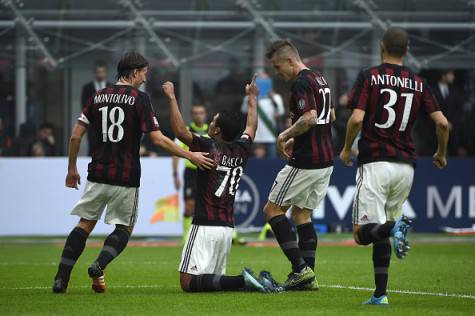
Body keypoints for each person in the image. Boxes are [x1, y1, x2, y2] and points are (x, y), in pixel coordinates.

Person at [52, 52, 214, 294]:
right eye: (145, 73)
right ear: (135, 72)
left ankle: (60, 279)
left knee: (85, 224)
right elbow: (158, 139)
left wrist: (71, 169)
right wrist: (191, 155)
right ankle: (99, 265)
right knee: (124, 229)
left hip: (97, 173)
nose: (145, 78)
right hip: (126, 177)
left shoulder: (98, 96)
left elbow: (76, 135)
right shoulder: (140, 99)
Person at [339, 27, 449, 305]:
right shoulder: (419, 82)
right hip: (406, 167)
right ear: (407, 49)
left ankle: (394, 227)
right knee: (383, 228)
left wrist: (346, 148)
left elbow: (355, 120)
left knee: (362, 234)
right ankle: (380, 295)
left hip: (376, 161)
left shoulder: (371, 76)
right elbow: (443, 123)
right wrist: (441, 153)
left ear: (381, 46)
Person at [163, 75, 278, 293]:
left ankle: (242, 280)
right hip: (226, 228)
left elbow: (179, 132)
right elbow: (251, 126)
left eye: (214, 121)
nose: (211, 122)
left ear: (216, 131)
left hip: (205, 224)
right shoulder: (241, 149)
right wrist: (252, 98)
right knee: (211, 282)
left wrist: (171, 97)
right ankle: (246, 283)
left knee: (188, 283)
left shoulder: (208, 146)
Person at [262, 39, 336, 290]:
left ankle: (300, 269)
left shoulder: (301, 82)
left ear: (290, 61)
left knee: (272, 210)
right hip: (326, 159)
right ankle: (308, 277)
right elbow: (331, 116)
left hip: (307, 161)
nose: (276, 72)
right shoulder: (320, 79)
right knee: (302, 215)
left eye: (277, 66)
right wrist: (299, 135)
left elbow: (311, 118)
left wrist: (285, 135)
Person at [171, 103, 209, 244]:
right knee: (189, 206)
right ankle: (186, 237)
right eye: (196, 113)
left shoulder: (211, 131)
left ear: (205, 114)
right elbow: (175, 153)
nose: (199, 115)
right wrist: (175, 174)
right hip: (191, 172)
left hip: (207, 171)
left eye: (201, 112)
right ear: (192, 115)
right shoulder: (186, 131)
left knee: (212, 205)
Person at [240, 72, 285, 158]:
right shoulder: (250, 97)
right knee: (252, 163)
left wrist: (272, 97)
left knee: (271, 164)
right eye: (260, 82)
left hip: (270, 136)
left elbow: (281, 112)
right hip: (254, 136)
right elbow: (243, 110)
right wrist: (251, 95)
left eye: (265, 82)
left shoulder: (276, 97)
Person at [81, 61, 112, 156]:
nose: (100, 74)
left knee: (108, 148)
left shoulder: (111, 87)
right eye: (98, 72)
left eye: (102, 72)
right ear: (95, 73)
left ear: (106, 73)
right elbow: (84, 106)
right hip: (93, 124)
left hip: (109, 123)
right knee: (93, 147)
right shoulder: (87, 88)